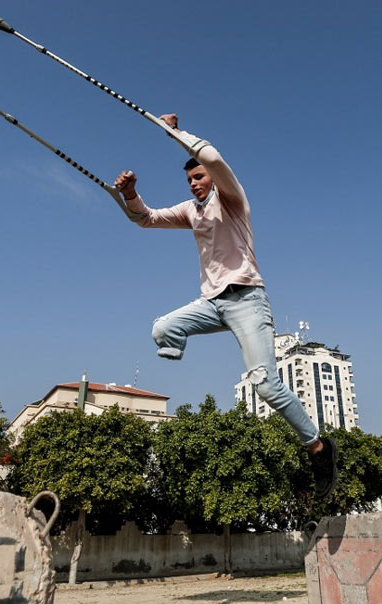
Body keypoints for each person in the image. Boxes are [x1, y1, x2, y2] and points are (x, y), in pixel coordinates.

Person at [114, 114, 337, 499]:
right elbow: (145, 219)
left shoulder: (232, 200)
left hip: (248, 300)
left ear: (213, 179)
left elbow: (213, 157)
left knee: (265, 384)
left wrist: (177, 134)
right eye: (190, 180)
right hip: (212, 304)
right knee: (162, 328)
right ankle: (177, 356)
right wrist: (130, 194)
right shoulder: (190, 211)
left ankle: (318, 448)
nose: (195, 184)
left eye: (199, 177)